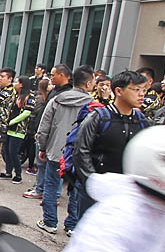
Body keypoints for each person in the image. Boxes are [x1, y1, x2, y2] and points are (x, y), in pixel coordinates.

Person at [72, 70, 149, 214]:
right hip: (96, 189)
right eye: (136, 89)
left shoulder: (142, 122)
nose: (142, 94)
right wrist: (93, 182)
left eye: (144, 90)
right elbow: (81, 151)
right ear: (119, 91)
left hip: (127, 192)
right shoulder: (99, 117)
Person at [35, 65, 93, 234]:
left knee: (51, 185)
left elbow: (44, 126)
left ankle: (50, 222)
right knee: (76, 189)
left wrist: (43, 147)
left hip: (56, 149)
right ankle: (72, 225)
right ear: (88, 83)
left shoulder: (57, 100)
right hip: (80, 154)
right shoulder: (93, 104)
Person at [2, 77, 35, 183]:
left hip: (18, 129)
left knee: (13, 152)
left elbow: (27, 112)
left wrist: (12, 121)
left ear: (22, 84)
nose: (14, 84)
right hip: (9, 128)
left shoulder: (30, 96)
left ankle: (18, 174)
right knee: (6, 151)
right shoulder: (15, 94)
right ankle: (8, 171)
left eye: (16, 82)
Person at [23, 79, 51, 199]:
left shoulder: (46, 99)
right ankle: (40, 186)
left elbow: (35, 111)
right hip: (39, 129)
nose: (51, 85)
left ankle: (43, 189)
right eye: (49, 84)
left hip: (41, 131)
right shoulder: (46, 98)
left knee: (44, 163)